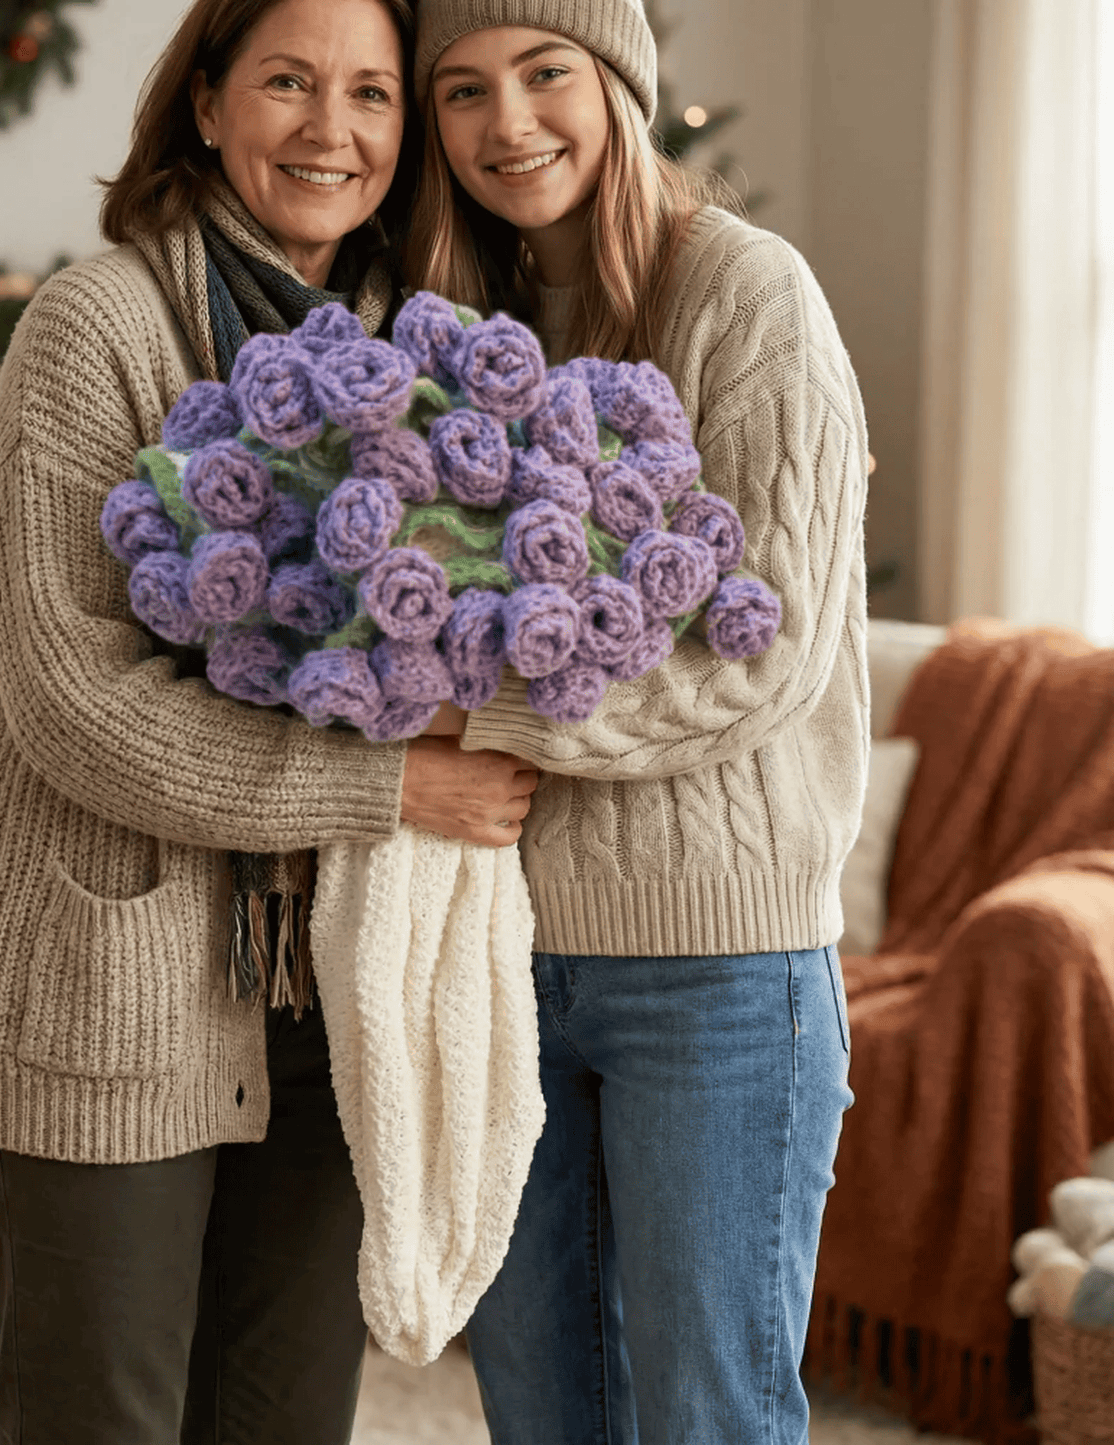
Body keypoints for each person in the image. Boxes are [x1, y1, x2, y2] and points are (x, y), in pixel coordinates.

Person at [0, 1, 538, 1441]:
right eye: (287, 81)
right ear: (205, 104)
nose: (333, 129)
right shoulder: (98, 329)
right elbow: (76, 708)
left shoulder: (427, 358)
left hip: (331, 1000)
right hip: (100, 997)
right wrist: (388, 789)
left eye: (374, 94)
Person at [405, 2, 869, 1441]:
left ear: (620, 84)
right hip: (495, 954)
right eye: (465, 90)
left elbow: (765, 645)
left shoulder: (745, 290)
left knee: (705, 1416)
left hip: (716, 966)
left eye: (547, 73)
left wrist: (481, 719)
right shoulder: (443, 323)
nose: (509, 123)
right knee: (540, 1411)